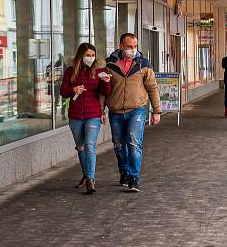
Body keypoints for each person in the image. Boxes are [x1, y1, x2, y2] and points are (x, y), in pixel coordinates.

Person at [105, 33, 162, 193]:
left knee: (134, 142)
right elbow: (103, 90)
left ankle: (134, 177)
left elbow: (152, 87)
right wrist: (101, 110)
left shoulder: (143, 64)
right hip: (115, 111)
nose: (133, 49)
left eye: (135, 46)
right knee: (118, 144)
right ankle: (124, 171)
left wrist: (156, 111)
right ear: (121, 46)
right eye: (129, 46)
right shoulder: (109, 64)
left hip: (136, 110)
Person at [60, 43, 112, 194]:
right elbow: (63, 91)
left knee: (89, 145)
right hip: (75, 115)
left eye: (93, 55)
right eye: (88, 55)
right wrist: (73, 89)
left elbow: (105, 92)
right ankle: (86, 175)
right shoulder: (71, 71)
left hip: (93, 114)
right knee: (81, 147)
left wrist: (106, 83)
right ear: (81, 56)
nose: (91, 58)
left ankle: (90, 179)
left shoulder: (99, 71)